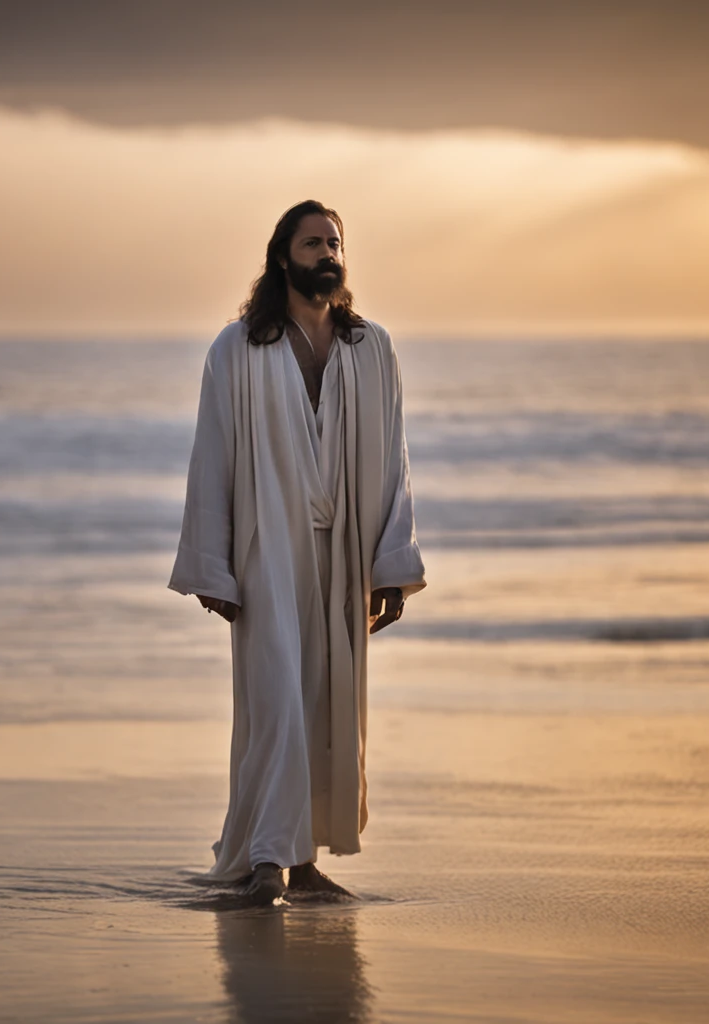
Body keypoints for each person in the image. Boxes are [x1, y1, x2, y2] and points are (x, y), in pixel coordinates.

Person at [168, 199, 426, 905]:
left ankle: (303, 862)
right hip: (266, 550)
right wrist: (212, 568)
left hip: (343, 554)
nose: (327, 253)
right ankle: (262, 863)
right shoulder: (237, 350)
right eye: (312, 242)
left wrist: (391, 566)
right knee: (276, 699)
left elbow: (395, 460)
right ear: (283, 257)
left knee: (327, 705)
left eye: (334, 242)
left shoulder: (370, 349)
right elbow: (211, 457)